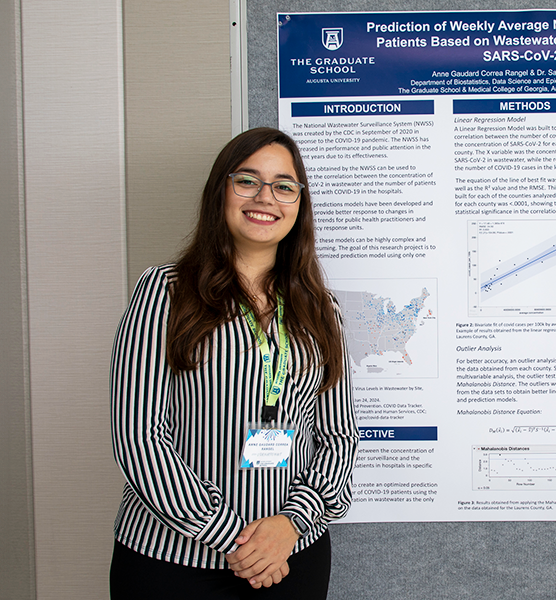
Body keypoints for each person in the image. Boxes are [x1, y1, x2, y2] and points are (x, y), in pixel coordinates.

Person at [109, 127, 358, 599]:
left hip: (291, 557)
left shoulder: (321, 308)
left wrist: (291, 525)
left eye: (284, 186)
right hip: (174, 563)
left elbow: (338, 438)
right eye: (247, 180)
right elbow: (140, 439)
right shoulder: (164, 293)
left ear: (298, 205)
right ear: (219, 191)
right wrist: (233, 540)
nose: (266, 197)